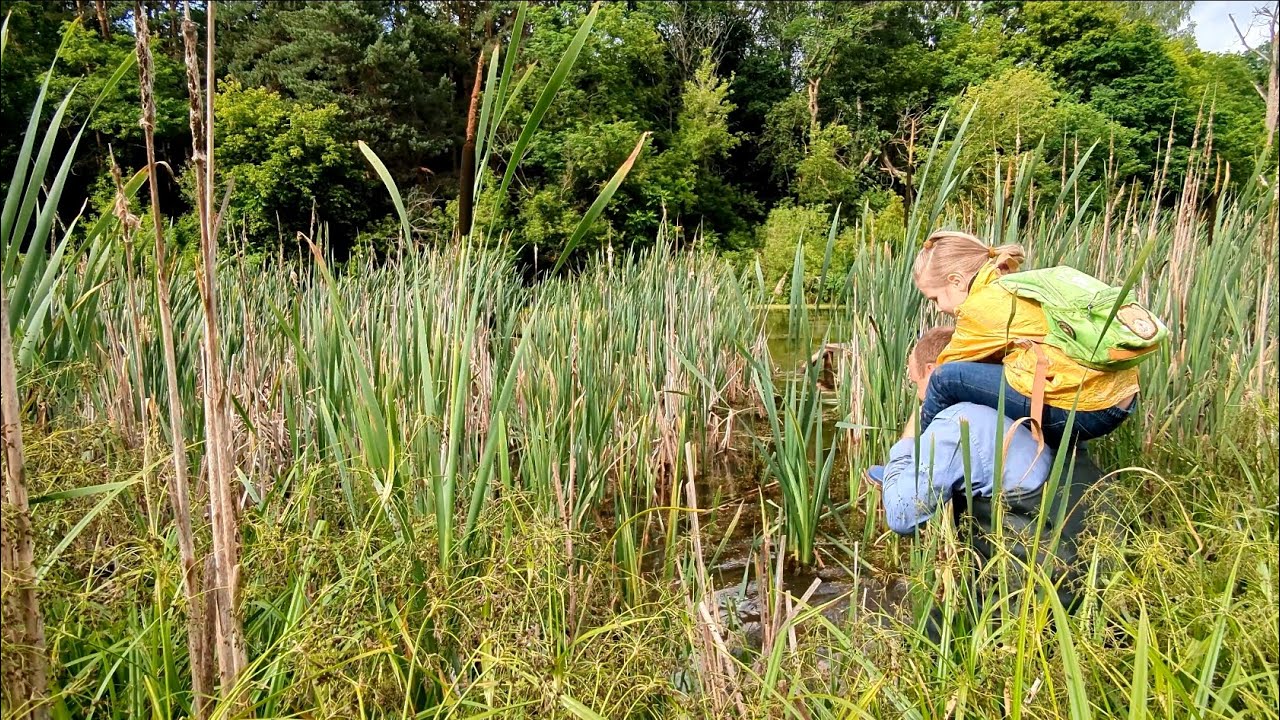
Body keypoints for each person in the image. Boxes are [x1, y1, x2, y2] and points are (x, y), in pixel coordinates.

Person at [867, 327, 1109, 620]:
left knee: (924, 633)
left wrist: (907, 445)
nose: (917, 392)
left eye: (914, 381)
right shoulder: (1042, 404)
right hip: (1097, 587)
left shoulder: (960, 422)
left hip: (1028, 603)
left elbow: (902, 515)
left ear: (931, 371)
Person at [911, 230, 1139, 447]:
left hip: (1086, 410)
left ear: (956, 281)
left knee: (944, 379)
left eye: (935, 298)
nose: (939, 309)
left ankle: (916, 468)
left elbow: (942, 372)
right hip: (1117, 398)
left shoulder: (981, 305)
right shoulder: (1012, 285)